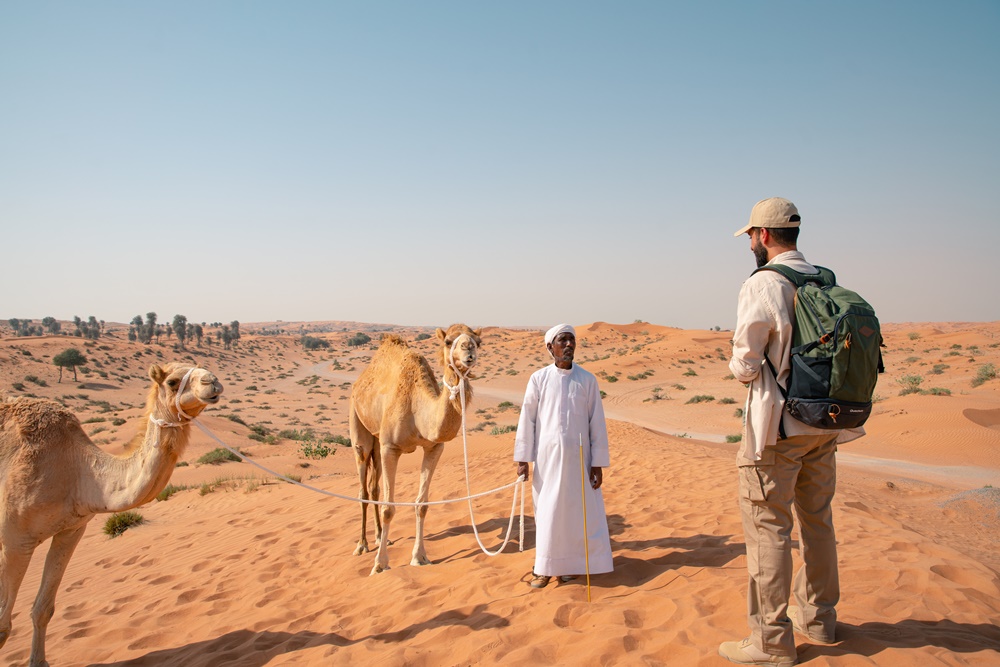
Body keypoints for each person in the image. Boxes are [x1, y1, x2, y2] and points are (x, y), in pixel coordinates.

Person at [720, 198, 864, 666]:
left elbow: (745, 364)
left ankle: (769, 643)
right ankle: (820, 618)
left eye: (750, 238)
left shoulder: (764, 283)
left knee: (768, 532)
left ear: (762, 235)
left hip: (776, 430)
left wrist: (741, 364)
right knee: (818, 521)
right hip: (826, 425)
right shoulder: (824, 278)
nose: (750, 245)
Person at [513, 323, 613, 589]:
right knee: (547, 512)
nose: (569, 345)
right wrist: (523, 458)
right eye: (562, 340)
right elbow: (528, 419)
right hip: (547, 461)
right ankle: (543, 568)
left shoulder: (587, 380)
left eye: (572, 340)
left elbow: (597, 423)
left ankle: (570, 566)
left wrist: (598, 464)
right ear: (550, 347)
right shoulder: (538, 379)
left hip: (579, 463)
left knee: (575, 514)